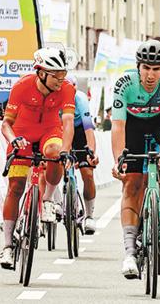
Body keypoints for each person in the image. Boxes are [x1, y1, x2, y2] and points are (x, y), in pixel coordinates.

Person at [111, 39, 160, 278]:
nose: (151, 74)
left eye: (156, 69)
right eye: (146, 68)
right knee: (132, 184)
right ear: (138, 67)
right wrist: (118, 160)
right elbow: (118, 125)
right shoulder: (124, 83)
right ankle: (129, 252)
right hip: (132, 125)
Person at [0, 48, 76, 269]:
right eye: (56, 75)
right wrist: (13, 140)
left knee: (55, 152)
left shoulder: (67, 88)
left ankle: (48, 200)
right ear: (41, 73)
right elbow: (6, 124)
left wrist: (66, 150)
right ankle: (7, 246)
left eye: (63, 74)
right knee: (15, 187)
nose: (61, 79)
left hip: (50, 131)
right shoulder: (22, 86)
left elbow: (68, 122)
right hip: (22, 134)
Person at [70, 86, 100, 234]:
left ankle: (89, 215)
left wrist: (91, 152)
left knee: (87, 173)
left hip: (80, 130)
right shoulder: (54, 95)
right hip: (61, 129)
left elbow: (88, 129)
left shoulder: (80, 99)